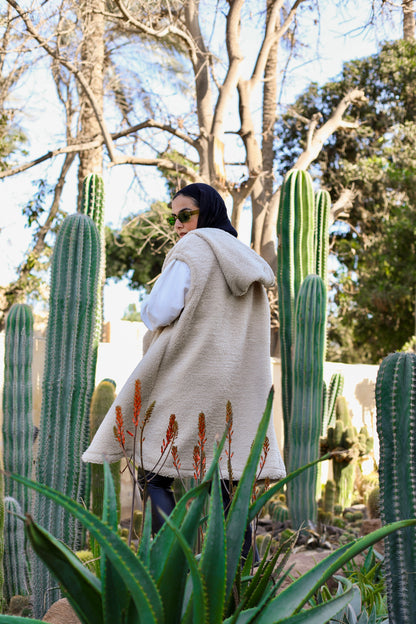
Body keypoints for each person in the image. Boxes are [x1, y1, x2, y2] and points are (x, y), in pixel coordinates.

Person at [82, 182, 286, 558]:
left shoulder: (193, 248)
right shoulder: (246, 260)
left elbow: (159, 311)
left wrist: (148, 312)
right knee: (228, 481)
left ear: (206, 213)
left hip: (190, 377)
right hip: (237, 387)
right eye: (173, 216)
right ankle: (239, 579)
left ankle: (170, 564)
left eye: (185, 215)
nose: (177, 224)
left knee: (154, 470)